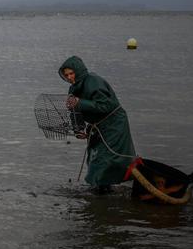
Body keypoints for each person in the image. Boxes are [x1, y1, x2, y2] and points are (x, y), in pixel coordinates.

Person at [59, 56, 137, 192]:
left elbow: (106, 105)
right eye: (66, 75)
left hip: (114, 124)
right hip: (97, 125)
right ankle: (101, 189)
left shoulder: (93, 82)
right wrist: (78, 129)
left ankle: (104, 189)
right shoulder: (73, 88)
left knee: (108, 159)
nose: (69, 77)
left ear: (79, 71)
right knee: (95, 157)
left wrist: (80, 102)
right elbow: (75, 110)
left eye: (71, 73)